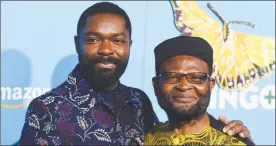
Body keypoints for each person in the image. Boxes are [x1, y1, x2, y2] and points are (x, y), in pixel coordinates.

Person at [19, 2, 252, 145]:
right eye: (93, 40)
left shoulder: (137, 101)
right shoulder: (47, 109)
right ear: (77, 44)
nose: (107, 49)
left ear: (129, 45)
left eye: (117, 41)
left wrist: (225, 131)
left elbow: (176, 132)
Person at [144, 36, 255, 145]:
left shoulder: (232, 142)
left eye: (196, 78)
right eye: (172, 77)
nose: (184, 86)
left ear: (210, 85)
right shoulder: (147, 138)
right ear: (156, 86)